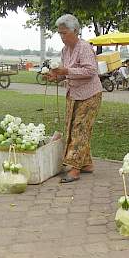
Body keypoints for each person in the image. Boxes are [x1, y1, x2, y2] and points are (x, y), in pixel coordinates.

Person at [47, 14, 102, 183]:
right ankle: (86, 164)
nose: (62, 37)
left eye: (65, 33)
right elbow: (66, 74)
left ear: (76, 31)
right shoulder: (65, 50)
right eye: (60, 33)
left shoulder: (84, 47)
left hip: (89, 94)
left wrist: (66, 72)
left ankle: (75, 169)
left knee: (80, 129)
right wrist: (56, 76)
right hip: (73, 94)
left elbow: (91, 71)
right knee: (71, 128)